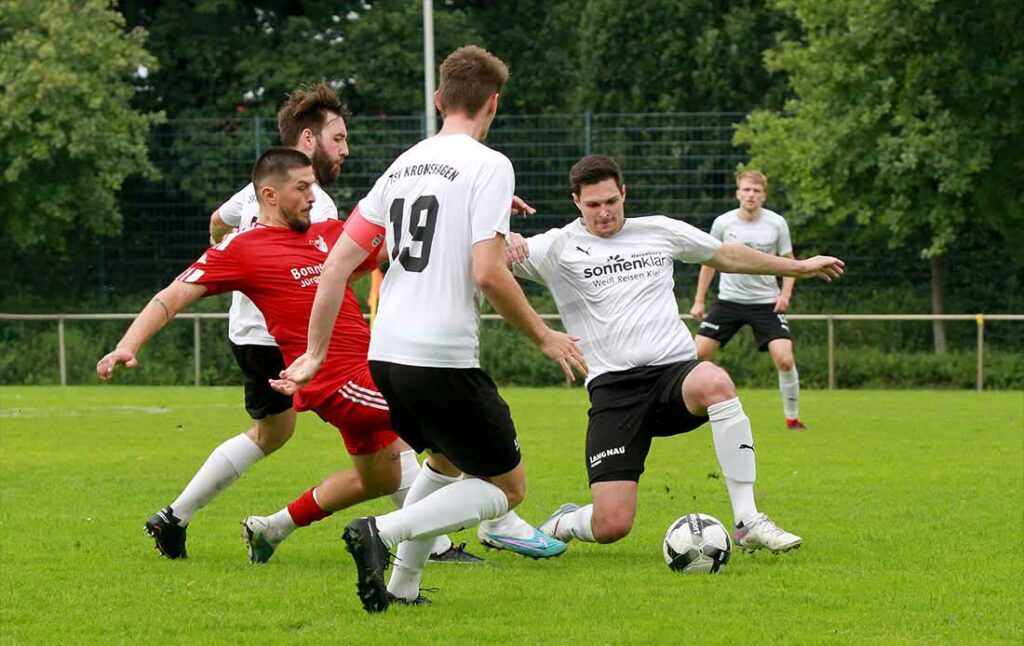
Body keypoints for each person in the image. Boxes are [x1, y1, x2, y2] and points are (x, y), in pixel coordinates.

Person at [274, 45, 587, 612]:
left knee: (444, 461)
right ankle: (381, 534)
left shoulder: (404, 163)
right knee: (504, 488)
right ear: (493, 104)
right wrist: (546, 336)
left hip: (387, 353)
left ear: (440, 99)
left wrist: (315, 352)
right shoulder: (490, 164)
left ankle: (403, 587)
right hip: (439, 356)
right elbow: (488, 273)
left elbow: (339, 262)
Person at [96, 148, 469, 571]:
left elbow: (403, 234)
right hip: (335, 382)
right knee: (455, 429)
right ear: (270, 195)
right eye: (303, 188)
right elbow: (173, 295)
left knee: (380, 479)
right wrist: (129, 343)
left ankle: (272, 527)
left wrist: (472, 212)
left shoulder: (331, 233)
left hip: (371, 368)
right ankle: (490, 525)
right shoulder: (243, 249)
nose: (313, 195)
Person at [501, 155, 842, 555]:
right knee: (612, 524)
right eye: (593, 205)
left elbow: (727, 255)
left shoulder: (659, 230)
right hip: (615, 392)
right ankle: (564, 521)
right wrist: (500, 233)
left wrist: (798, 267)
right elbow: (483, 263)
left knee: (716, 380)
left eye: (611, 201)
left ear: (624, 193)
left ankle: (747, 519)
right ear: (576, 201)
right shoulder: (554, 247)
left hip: (674, 377)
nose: (604, 212)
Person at [133, 84, 350, 560]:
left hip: (248, 334)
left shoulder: (259, 188)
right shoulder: (318, 207)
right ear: (309, 140)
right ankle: (430, 543)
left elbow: (218, 220)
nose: (345, 150)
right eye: (338, 139)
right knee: (384, 431)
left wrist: (229, 254)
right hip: (292, 340)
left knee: (273, 434)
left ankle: (174, 516)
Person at [690, 171, 808, 429]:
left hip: (766, 303)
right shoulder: (723, 223)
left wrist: (785, 295)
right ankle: (688, 412)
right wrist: (699, 300)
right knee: (694, 355)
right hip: (729, 301)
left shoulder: (776, 224)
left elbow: (790, 263)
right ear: (738, 193)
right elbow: (709, 263)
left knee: (785, 360)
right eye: (746, 190)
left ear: (763, 195)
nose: (750, 195)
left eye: (756, 190)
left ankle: (793, 418)